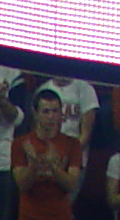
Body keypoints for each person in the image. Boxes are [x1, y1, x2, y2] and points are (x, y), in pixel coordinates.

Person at [13, 88, 84, 220]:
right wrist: (33, 165)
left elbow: (72, 185)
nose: (51, 117)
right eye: (46, 112)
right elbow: (22, 185)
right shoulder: (20, 144)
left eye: (55, 111)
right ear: (35, 113)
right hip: (29, 216)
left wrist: (53, 167)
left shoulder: (72, 144)